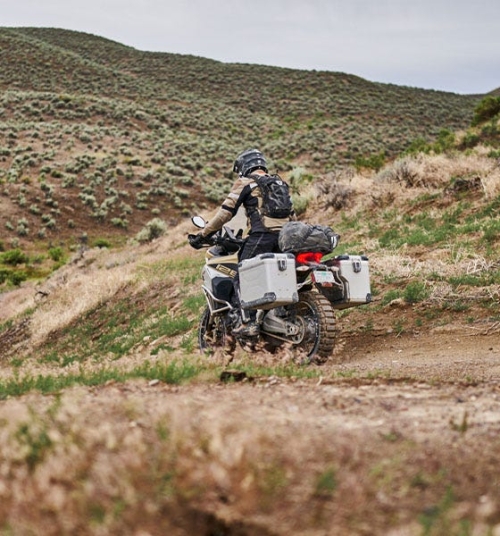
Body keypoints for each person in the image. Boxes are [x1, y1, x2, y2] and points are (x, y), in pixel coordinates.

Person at [189, 148, 295, 335]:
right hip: (286, 238)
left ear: (244, 167)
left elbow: (225, 213)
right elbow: (292, 216)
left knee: (243, 275)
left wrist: (203, 234)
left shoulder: (246, 182)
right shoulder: (279, 183)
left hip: (261, 236)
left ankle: (248, 322)